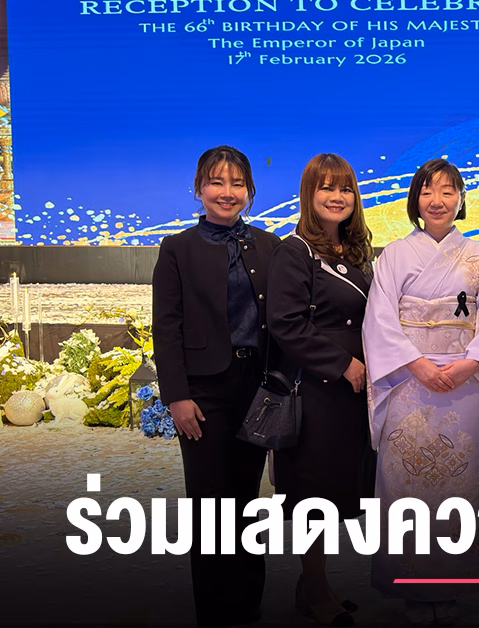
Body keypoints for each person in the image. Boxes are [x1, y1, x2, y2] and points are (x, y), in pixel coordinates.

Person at [362, 158, 479, 627]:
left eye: (447, 191)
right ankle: (411, 584)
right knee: (406, 483)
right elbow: (379, 320)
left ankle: (449, 583)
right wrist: (416, 363)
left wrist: (471, 362)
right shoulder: (393, 255)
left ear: (461, 199)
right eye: (427, 191)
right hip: (407, 380)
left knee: (454, 483)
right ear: (415, 200)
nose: (437, 200)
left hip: (461, 381)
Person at [152, 146, 280, 628]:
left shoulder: (269, 245)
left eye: (237, 183)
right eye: (217, 182)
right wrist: (176, 396)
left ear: (250, 190)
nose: (227, 192)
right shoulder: (177, 248)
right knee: (209, 500)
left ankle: (247, 605)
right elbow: (167, 327)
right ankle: (214, 611)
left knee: (247, 498)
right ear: (199, 189)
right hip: (203, 392)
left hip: (256, 386)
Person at [266, 153, 375, 627]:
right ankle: (314, 590)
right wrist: (342, 364)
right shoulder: (294, 251)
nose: (337, 197)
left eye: (345, 188)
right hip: (316, 391)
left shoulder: (354, 252)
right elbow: (285, 324)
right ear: (309, 194)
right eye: (326, 187)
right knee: (314, 496)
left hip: (351, 395)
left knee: (336, 493)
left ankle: (314, 584)